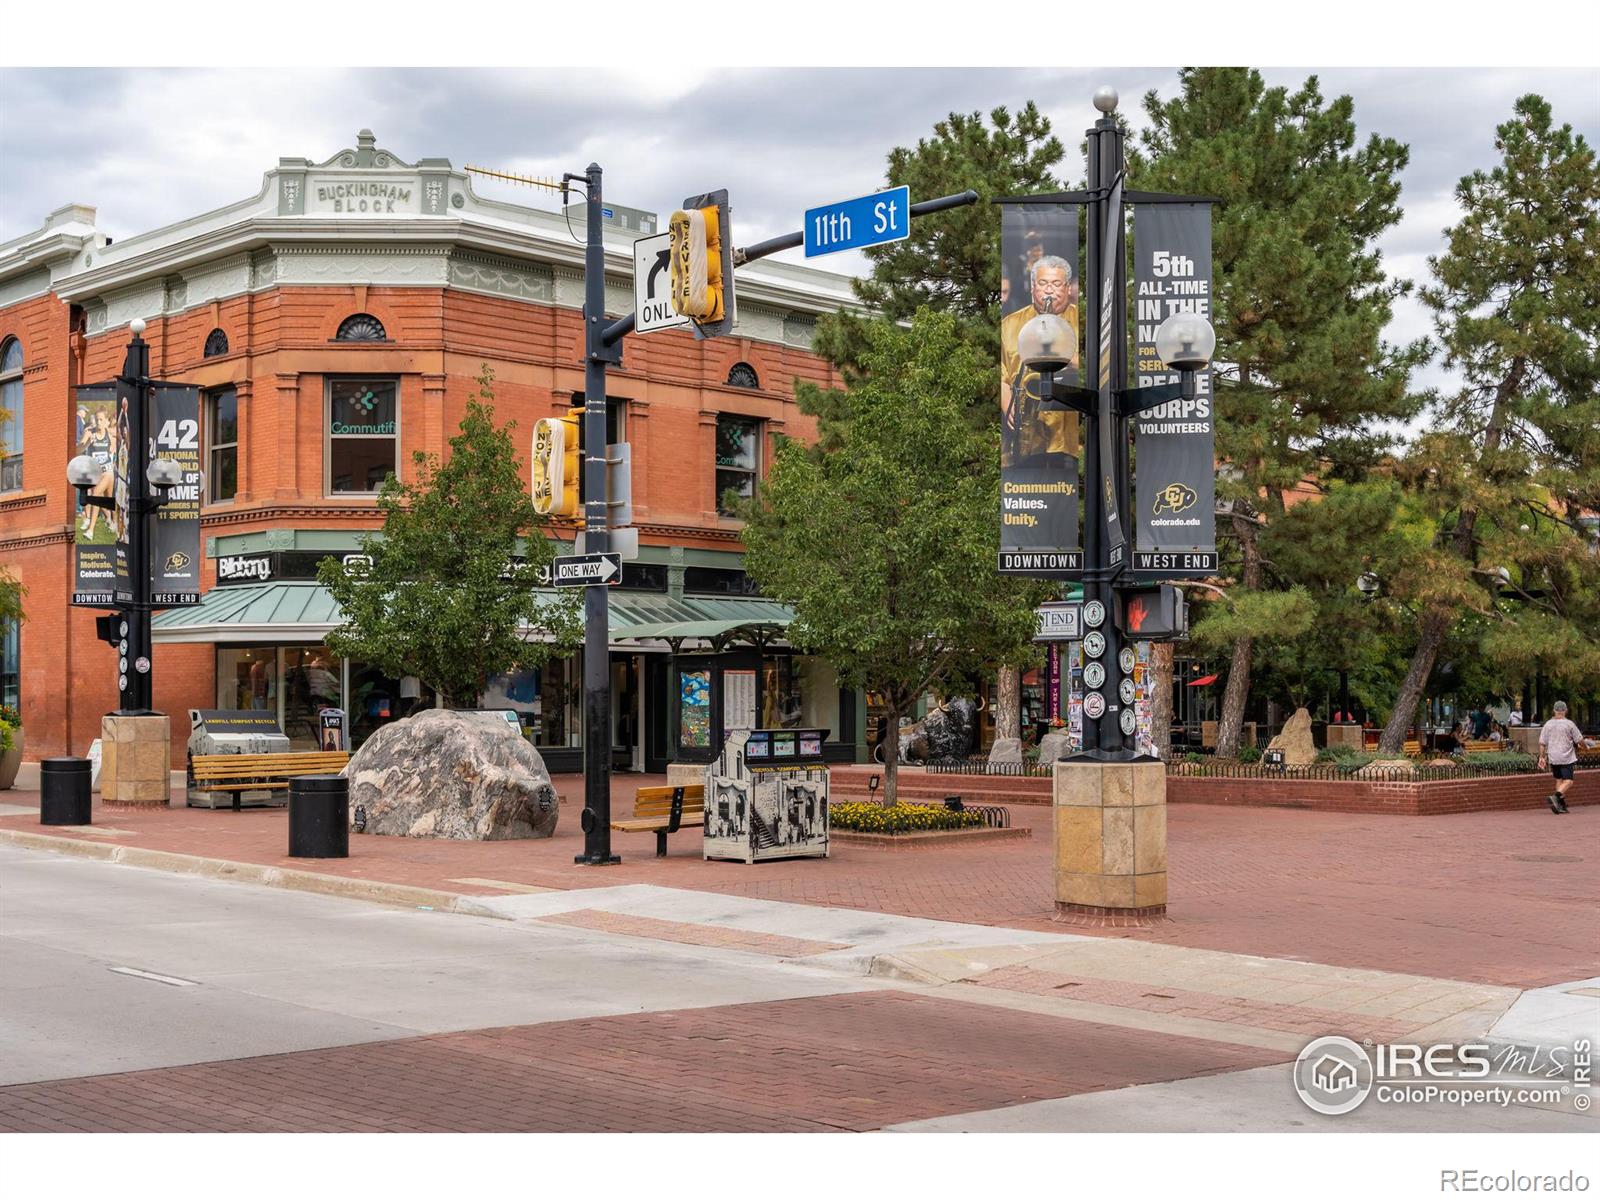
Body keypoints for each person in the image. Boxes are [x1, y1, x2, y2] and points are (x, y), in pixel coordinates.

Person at [999, 255, 1080, 465]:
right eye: (1043, 283)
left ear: (1068, 288)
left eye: (1056, 284)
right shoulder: (1009, 324)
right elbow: (1001, 374)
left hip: (1070, 435)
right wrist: (1008, 404)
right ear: (1033, 286)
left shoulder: (1084, 320)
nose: (1049, 290)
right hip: (1026, 432)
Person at [1537, 701, 1592, 815]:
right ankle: (1556, 797)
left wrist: (1541, 757)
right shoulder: (1569, 724)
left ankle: (1560, 805)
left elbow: (1542, 743)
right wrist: (1586, 747)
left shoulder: (1548, 724)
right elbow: (1579, 739)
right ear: (1565, 710)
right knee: (1569, 781)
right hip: (1566, 756)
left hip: (1553, 756)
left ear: (1554, 711)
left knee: (1559, 780)